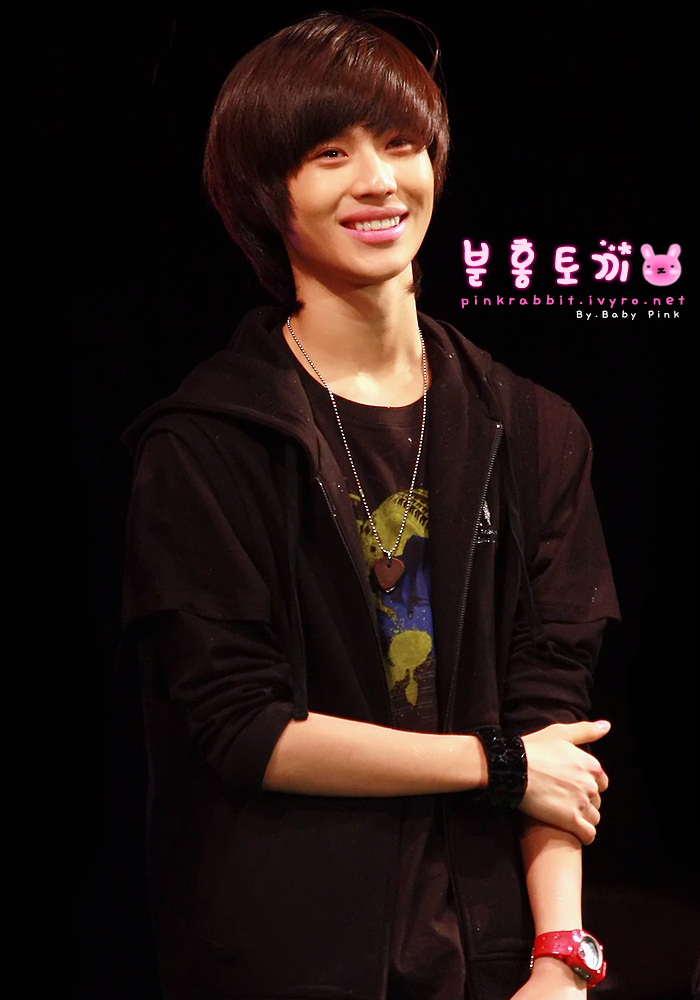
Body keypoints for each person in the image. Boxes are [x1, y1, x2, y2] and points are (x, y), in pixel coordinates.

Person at [122, 12, 620, 1000]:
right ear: (269, 195)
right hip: (290, 957)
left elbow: (552, 724)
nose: (379, 181)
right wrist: (495, 763)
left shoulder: (535, 429)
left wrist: (560, 958)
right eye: (329, 154)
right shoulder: (208, 442)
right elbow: (243, 725)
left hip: (493, 956)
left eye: (400, 143)